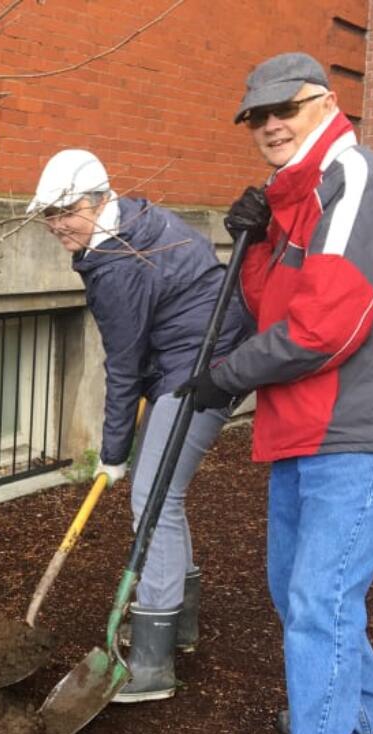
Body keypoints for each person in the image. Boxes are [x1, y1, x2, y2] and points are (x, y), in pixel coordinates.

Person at [184, 52, 373, 734]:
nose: (268, 126)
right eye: (255, 117)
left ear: (326, 102)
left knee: (318, 599)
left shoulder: (358, 179)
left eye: (282, 109)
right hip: (304, 425)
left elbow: (327, 326)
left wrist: (226, 377)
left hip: (353, 428)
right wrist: (255, 241)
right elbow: (272, 304)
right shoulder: (299, 199)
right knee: (301, 591)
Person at [28, 149, 251, 702]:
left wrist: (112, 451)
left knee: (153, 497)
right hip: (200, 358)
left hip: (200, 370)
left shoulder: (117, 266)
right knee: (163, 494)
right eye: (48, 214)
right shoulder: (136, 221)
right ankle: (178, 625)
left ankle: (153, 663)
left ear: (102, 198)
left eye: (67, 211)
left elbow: (122, 365)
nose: (57, 225)